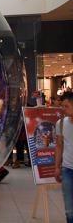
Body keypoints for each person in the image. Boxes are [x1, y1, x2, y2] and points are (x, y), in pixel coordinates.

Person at [55, 92, 73, 223]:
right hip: (67, 169)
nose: (63, 109)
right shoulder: (60, 124)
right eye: (62, 106)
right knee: (69, 209)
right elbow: (59, 146)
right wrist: (57, 167)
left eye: (66, 106)